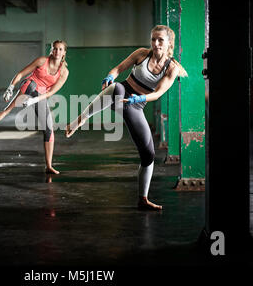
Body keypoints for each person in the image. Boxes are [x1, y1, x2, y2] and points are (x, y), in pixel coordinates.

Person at [65, 25, 188, 210]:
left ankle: (143, 199)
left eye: (160, 40)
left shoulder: (172, 68)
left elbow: (158, 93)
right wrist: (109, 75)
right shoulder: (141, 54)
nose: (155, 43)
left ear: (169, 42)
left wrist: (140, 98)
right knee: (117, 87)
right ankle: (81, 119)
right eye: (153, 39)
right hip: (119, 95)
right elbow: (118, 68)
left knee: (149, 155)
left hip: (136, 105)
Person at [0, 40, 69, 175]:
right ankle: (6, 111)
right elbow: (20, 74)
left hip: (40, 96)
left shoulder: (64, 72)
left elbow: (50, 92)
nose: (57, 52)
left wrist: (33, 100)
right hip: (28, 85)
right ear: (51, 50)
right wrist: (10, 87)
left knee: (49, 129)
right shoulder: (42, 61)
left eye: (60, 49)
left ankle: (49, 165)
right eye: (55, 49)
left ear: (64, 52)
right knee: (31, 85)